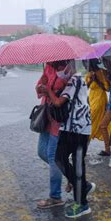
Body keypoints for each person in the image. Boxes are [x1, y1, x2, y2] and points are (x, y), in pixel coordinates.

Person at [39, 60, 96, 218]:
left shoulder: (76, 80)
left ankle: (82, 204)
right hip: (68, 127)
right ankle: (83, 186)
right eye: (57, 68)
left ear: (70, 66)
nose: (59, 70)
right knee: (60, 158)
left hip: (79, 128)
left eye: (61, 67)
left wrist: (48, 89)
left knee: (76, 165)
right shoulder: (71, 80)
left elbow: (58, 102)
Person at [35, 62, 67, 209]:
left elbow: (63, 96)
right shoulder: (48, 67)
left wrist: (49, 90)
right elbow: (40, 88)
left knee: (53, 157)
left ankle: (55, 196)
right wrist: (41, 87)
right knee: (42, 152)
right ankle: (70, 175)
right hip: (46, 117)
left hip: (58, 119)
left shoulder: (67, 69)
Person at [84, 59, 111, 156]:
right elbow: (85, 86)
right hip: (91, 100)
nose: (86, 66)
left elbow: (107, 88)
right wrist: (91, 79)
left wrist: (97, 80)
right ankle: (107, 149)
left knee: (90, 124)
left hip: (99, 100)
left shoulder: (102, 73)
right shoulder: (89, 74)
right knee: (96, 124)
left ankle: (84, 148)